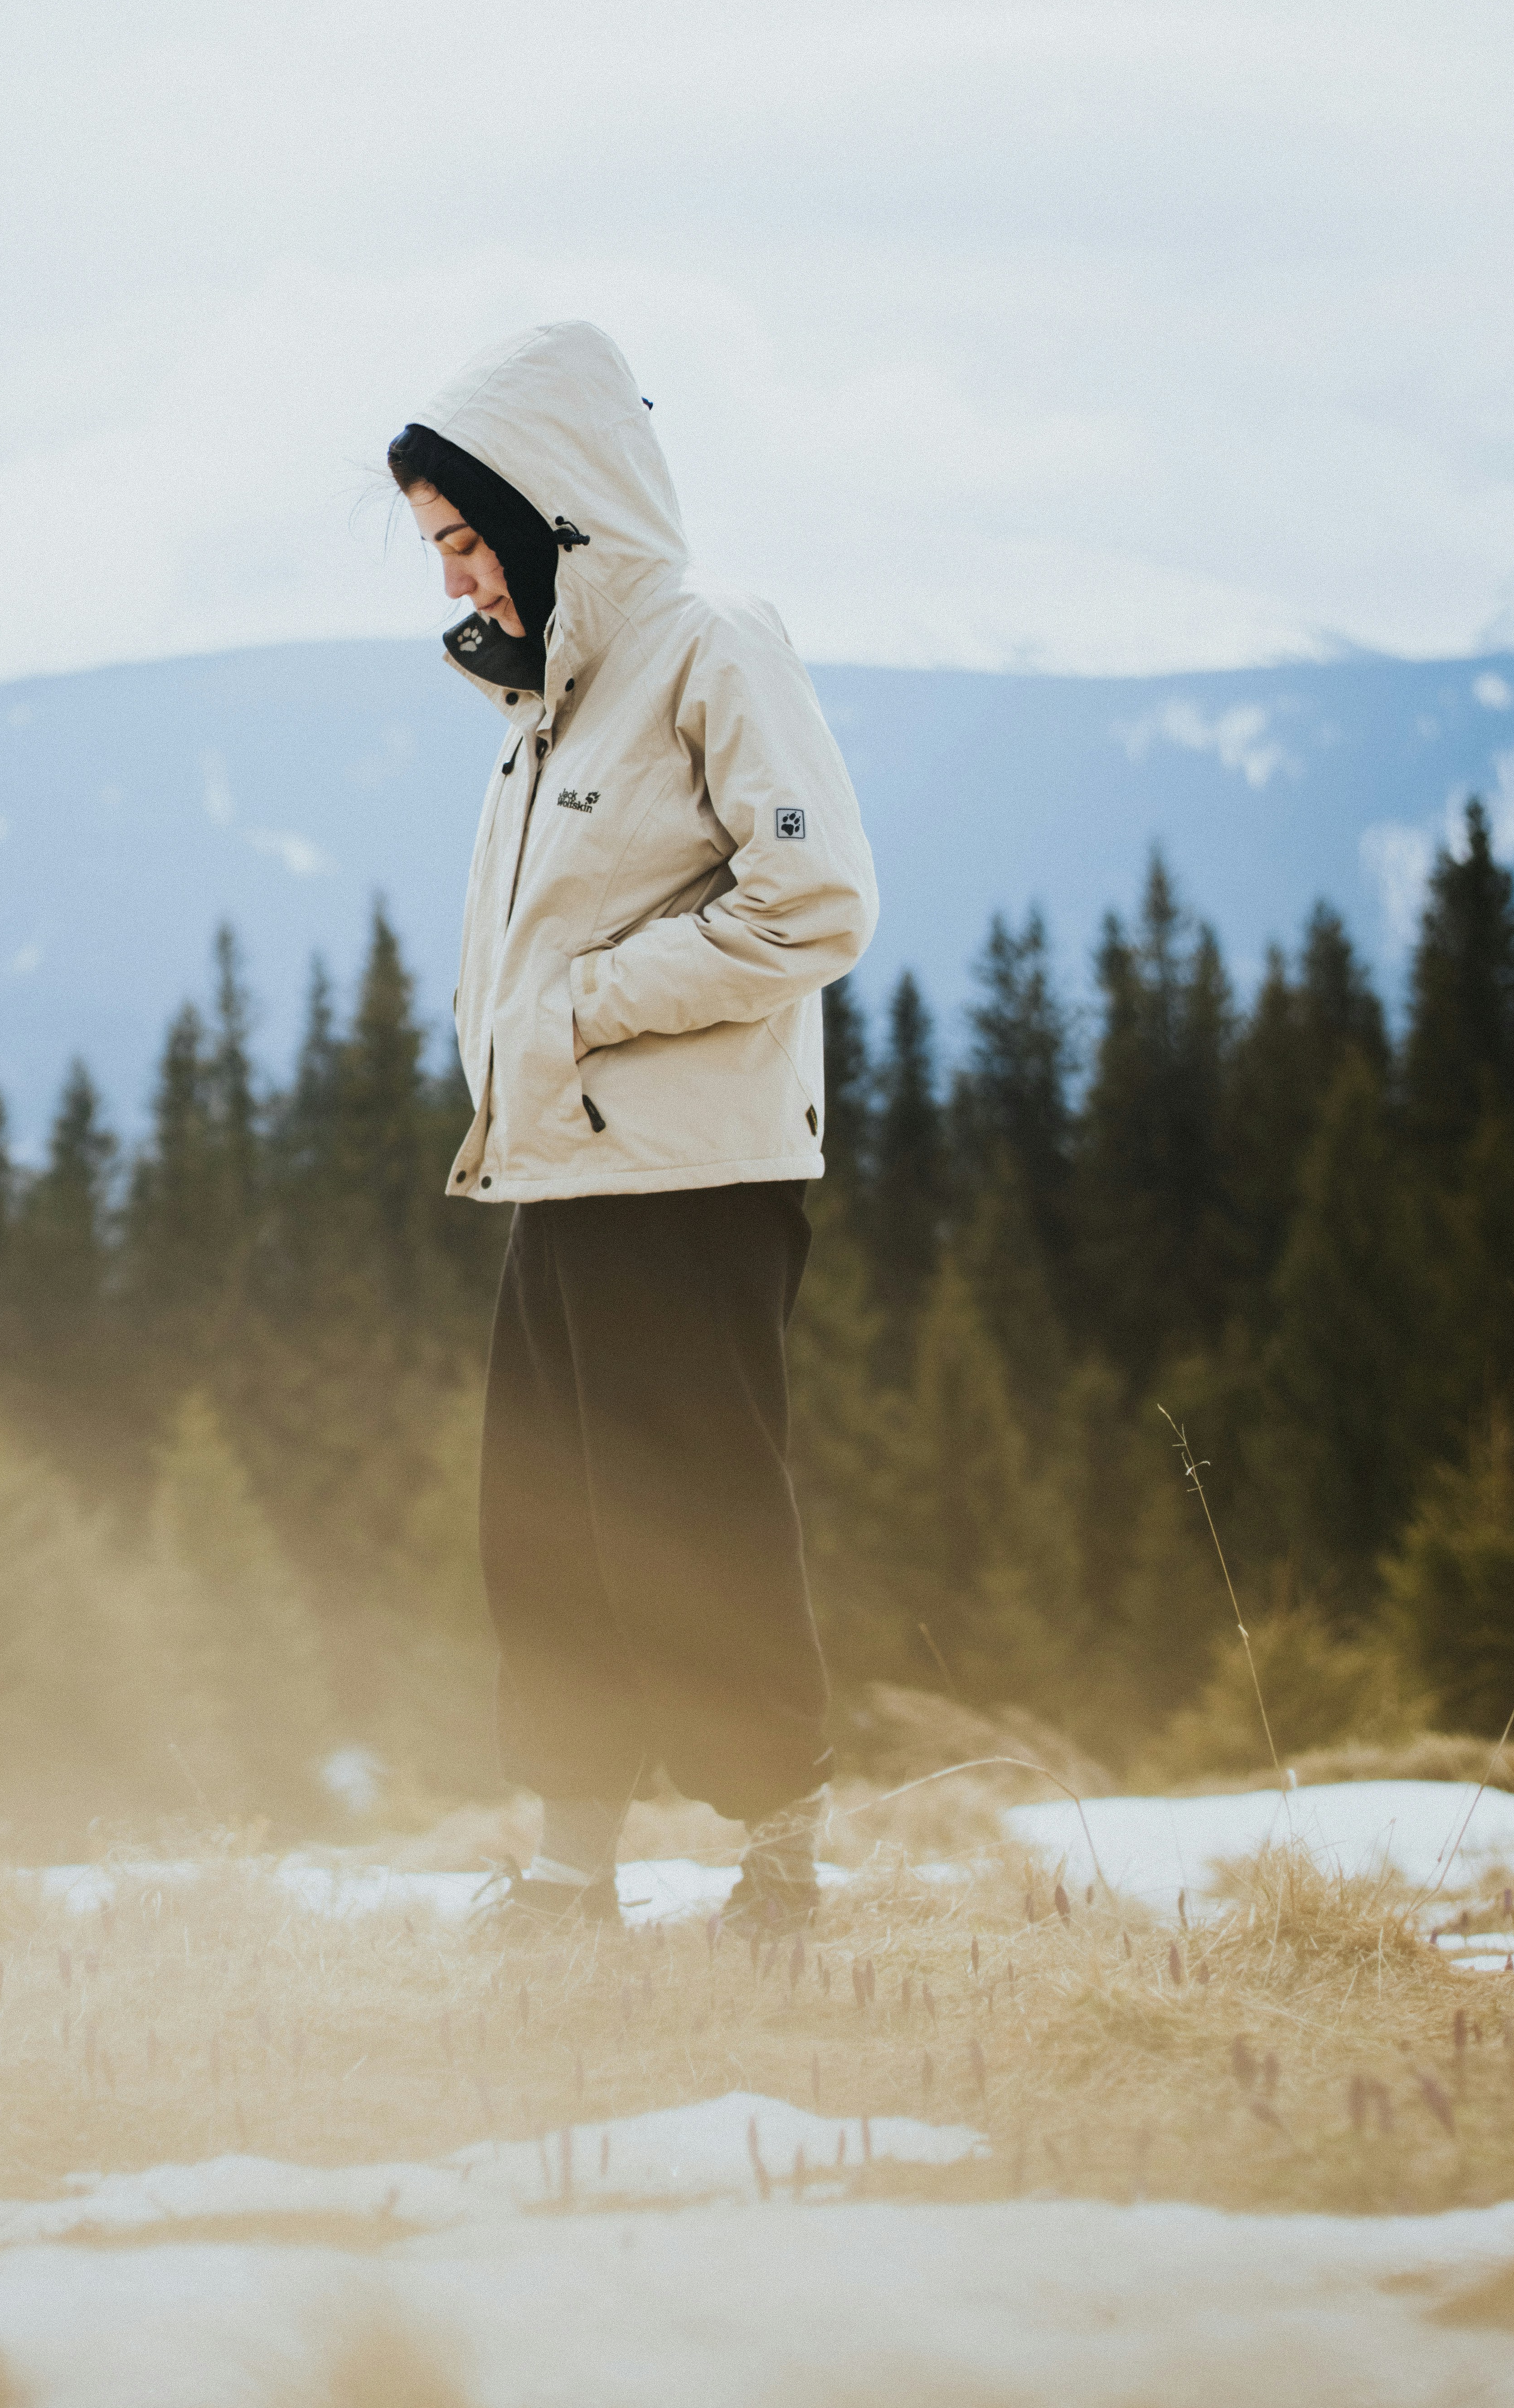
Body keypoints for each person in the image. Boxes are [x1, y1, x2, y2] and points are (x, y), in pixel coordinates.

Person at [388, 320, 878, 1930]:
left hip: (696, 1175)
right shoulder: (555, 704)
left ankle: (779, 1860)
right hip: (568, 1166)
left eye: (468, 541)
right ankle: (567, 1871)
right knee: (545, 1527)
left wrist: (591, 1004)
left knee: (698, 1515)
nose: (457, 580)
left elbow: (814, 902)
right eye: (440, 551)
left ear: (548, 512)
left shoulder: (712, 643)